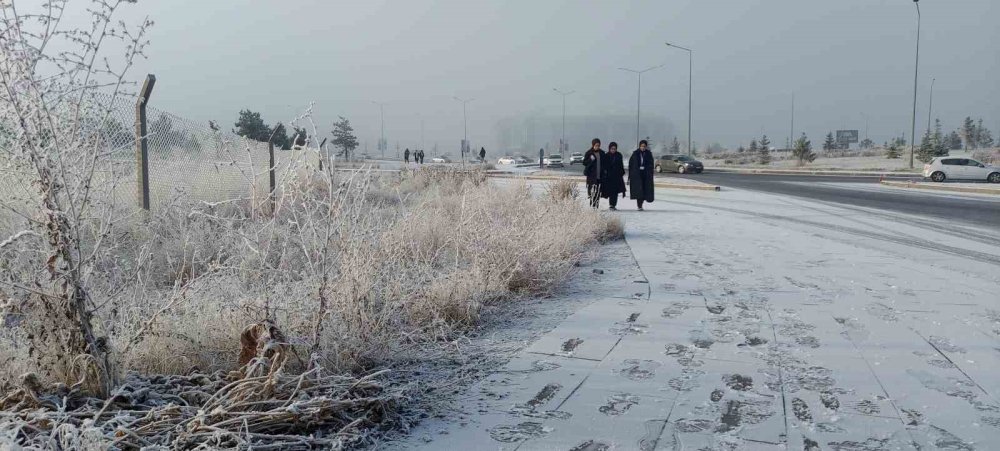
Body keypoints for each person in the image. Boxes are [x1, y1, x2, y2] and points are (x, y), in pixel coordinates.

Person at [628, 140, 655, 211]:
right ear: (639, 146)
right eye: (642, 146)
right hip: (637, 175)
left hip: (645, 175)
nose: (643, 148)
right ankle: (639, 205)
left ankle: (641, 203)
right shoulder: (635, 154)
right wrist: (632, 174)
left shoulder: (648, 154)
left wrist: (648, 170)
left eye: (644, 146)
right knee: (639, 191)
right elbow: (631, 164)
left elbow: (651, 164)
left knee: (644, 189)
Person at [583, 138, 607, 209]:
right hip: (591, 176)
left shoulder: (602, 153)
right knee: (592, 192)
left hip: (600, 176)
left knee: (598, 193)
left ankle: (596, 206)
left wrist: (604, 171)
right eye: (596, 145)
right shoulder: (589, 153)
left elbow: (604, 163)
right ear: (593, 145)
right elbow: (584, 163)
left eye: (598, 145)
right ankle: (592, 205)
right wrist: (590, 159)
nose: (597, 147)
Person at [602, 142, 627, 210]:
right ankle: (611, 204)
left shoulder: (618, 155)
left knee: (615, 192)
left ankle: (613, 205)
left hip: (617, 176)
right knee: (610, 191)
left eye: (614, 149)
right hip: (609, 177)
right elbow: (604, 166)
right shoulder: (606, 155)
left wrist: (621, 173)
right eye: (612, 149)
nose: (613, 150)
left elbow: (621, 165)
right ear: (609, 149)